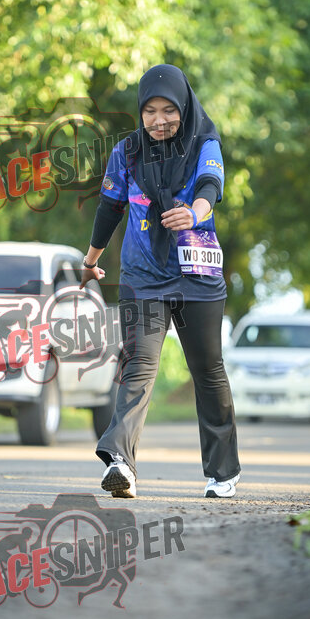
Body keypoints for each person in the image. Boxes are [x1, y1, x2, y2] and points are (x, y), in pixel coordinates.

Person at [79, 63, 241, 499]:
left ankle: (222, 472)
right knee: (138, 366)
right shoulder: (127, 152)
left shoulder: (205, 143)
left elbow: (210, 185)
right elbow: (110, 208)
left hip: (196, 273)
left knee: (207, 370)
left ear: (184, 108)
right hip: (143, 276)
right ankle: (120, 462)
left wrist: (194, 214)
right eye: (149, 111)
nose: (159, 120)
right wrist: (91, 260)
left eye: (168, 110)